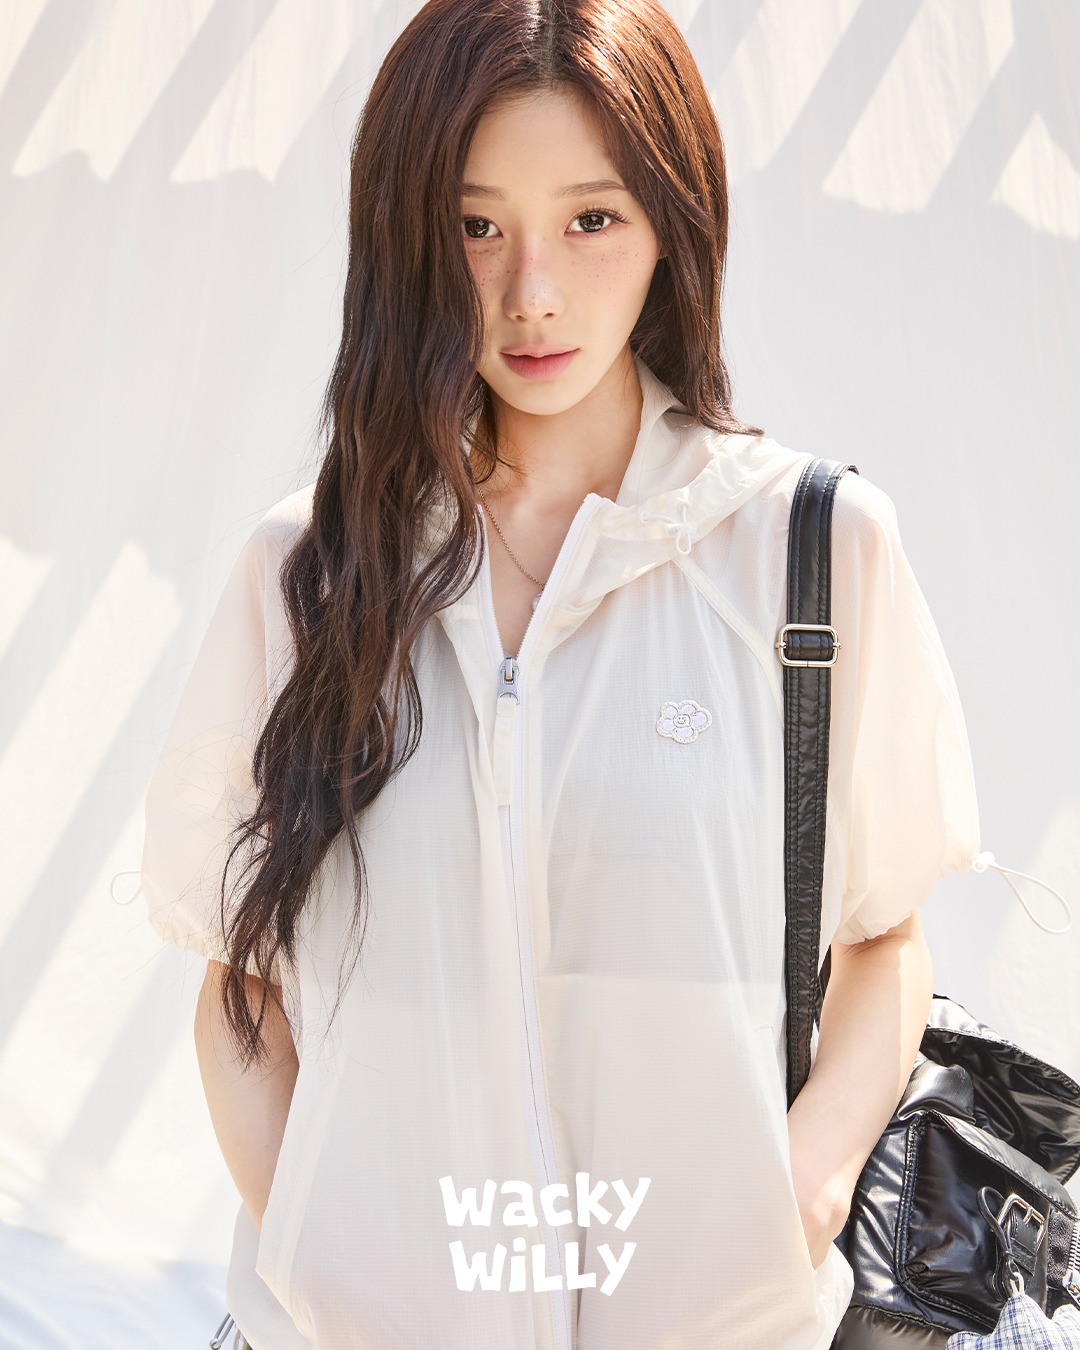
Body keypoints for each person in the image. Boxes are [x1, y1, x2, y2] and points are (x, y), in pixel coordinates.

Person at [139, 0, 983, 1346]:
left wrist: (802, 1190)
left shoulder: (811, 554)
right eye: (476, 225)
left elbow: (881, 938)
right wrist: (317, 1263)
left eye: (592, 219)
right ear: (408, 235)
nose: (531, 292)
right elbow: (241, 985)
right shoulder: (307, 573)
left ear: (673, 223)